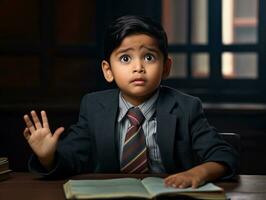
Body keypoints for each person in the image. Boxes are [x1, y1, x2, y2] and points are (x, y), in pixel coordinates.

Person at [23, 15, 238, 188]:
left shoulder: (186, 107)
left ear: (166, 67)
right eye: (125, 58)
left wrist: (197, 172)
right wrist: (48, 157)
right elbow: (72, 158)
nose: (138, 67)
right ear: (108, 71)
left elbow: (223, 154)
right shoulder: (94, 106)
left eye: (149, 57)